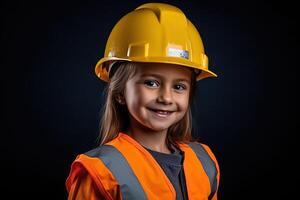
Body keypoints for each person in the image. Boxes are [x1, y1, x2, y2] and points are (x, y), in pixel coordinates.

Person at [66, 2, 220, 200]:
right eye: (151, 83)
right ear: (120, 92)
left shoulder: (205, 161)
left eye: (179, 86)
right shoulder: (100, 171)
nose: (166, 97)